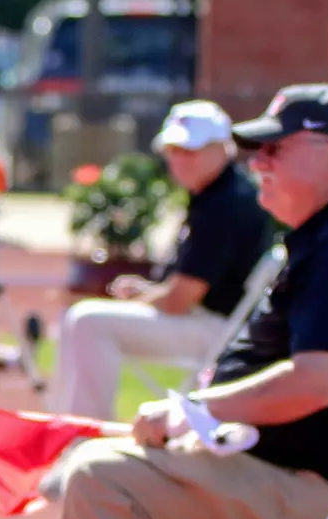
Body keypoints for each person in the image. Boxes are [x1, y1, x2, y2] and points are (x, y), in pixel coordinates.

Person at [43, 84, 328, 519]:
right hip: (281, 474)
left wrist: (196, 409)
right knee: (96, 463)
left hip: (315, 495)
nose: (257, 161)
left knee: (98, 480)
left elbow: (315, 382)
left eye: (275, 148)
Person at [46, 100, 276, 420]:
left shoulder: (225, 205)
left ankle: (82, 433)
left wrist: (142, 295)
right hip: (203, 319)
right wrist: (147, 290)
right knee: (79, 319)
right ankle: (62, 428)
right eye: (173, 150)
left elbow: (181, 298)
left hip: (214, 328)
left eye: (189, 150)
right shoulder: (213, 195)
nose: (178, 160)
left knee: (88, 321)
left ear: (223, 148)